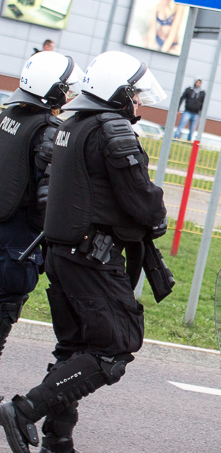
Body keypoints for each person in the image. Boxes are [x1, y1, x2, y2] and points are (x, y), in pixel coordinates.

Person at [0, 51, 168, 453]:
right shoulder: (113, 130)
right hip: (93, 257)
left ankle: (58, 446)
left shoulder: (72, 123)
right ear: (121, 94)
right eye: (136, 96)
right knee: (115, 348)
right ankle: (25, 409)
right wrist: (155, 209)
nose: (140, 105)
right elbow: (143, 203)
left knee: (73, 347)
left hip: (60, 253)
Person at [0, 52, 81, 365]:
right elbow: (50, 195)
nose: (71, 95)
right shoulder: (47, 130)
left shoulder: (11, 115)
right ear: (55, 91)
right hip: (18, 244)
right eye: (67, 89)